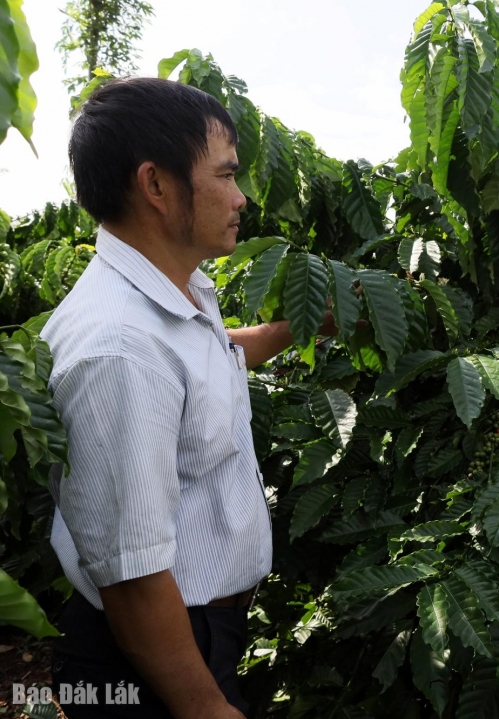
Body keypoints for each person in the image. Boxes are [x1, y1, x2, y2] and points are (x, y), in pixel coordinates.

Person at [42, 78, 334, 718]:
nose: (241, 196)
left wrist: (298, 326)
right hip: (152, 657)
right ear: (156, 184)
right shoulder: (120, 350)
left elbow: (208, 359)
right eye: (225, 175)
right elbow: (134, 581)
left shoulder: (177, 293)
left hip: (194, 634)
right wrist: (208, 709)